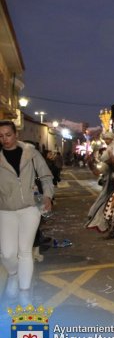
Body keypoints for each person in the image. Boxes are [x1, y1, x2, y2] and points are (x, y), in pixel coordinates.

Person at [0, 120, 54, 301]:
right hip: (5, 209)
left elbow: (46, 176)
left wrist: (47, 196)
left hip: (30, 208)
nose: (5, 139)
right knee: (7, 253)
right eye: (1, 136)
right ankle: (13, 274)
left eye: (8, 134)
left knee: (24, 251)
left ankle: (24, 292)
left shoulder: (31, 153)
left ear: (16, 134)